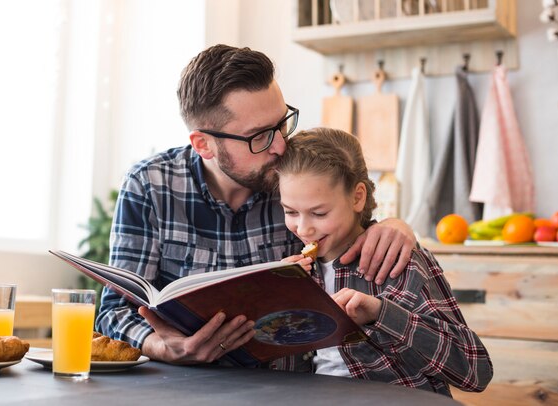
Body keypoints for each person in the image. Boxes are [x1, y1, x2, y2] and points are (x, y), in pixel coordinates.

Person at [96, 44, 416, 365]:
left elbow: (350, 221)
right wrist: (164, 348)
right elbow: (114, 312)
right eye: (259, 136)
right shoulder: (151, 185)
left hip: (291, 390)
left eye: (281, 124)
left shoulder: (292, 175)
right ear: (203, 144)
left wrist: (393, 226)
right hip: (189, 388)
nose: (279, 146)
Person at [275, 127, 493, 396]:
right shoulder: (292, 271)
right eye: (291, 212)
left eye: (319, 213)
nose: (304, 229)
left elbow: (475, 372)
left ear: (357, 197)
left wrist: (380, 314)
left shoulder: (401, 262)